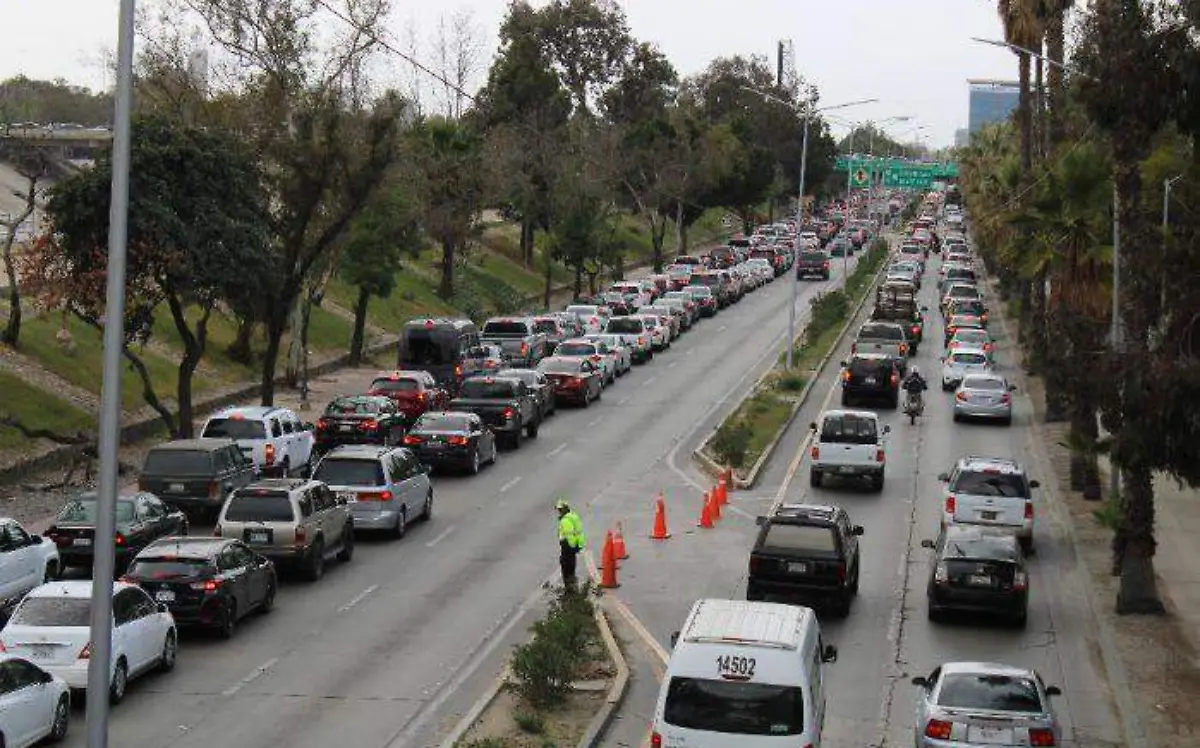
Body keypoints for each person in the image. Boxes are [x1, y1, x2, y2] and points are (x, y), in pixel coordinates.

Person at [555, 499, 586, 589]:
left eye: (560, 510)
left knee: (566, 569)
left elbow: (569, 536)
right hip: (574, 547)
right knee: (572, 569)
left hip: (568, 547)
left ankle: (569, 590)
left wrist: (570, 547)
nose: (559, 511)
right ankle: (572, 588)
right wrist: (577, 547)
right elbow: (578, 532)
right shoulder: (573, 516)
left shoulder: (565, 520)